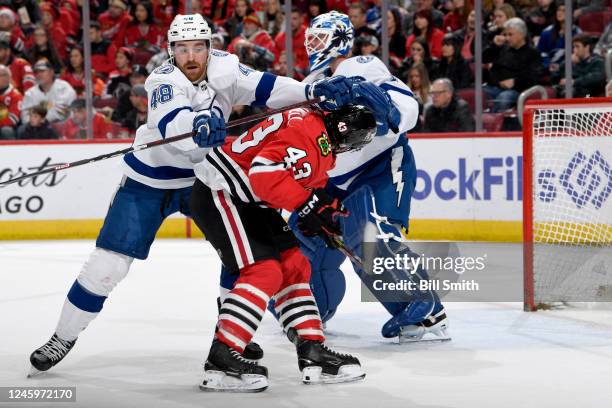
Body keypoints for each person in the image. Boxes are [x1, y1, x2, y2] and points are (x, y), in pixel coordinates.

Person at [28, 12, 357, 376]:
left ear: (209, 48)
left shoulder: (227, 68)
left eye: (197, 47)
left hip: (207, 179)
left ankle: (232, 336)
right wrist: (196, 123)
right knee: (107, 265)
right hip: (149, 182)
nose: (190, 56)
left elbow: (269, 89)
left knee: (244, 257)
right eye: (182, 48)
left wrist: (310, 91)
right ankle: (62, 336)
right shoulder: (162, 79)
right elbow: (172, 119)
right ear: (171, 51)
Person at [221, 11, 448, 343]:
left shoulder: (361, 66)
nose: (313, 44)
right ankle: (311, 310)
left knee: (371, 237)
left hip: (378, 168)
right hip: (331, 180)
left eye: (320, 37)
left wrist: (389, 112)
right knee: (300, 249)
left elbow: (404, 106)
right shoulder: (313, 81)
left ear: (340, 39)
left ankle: (426, 311)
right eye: (310, 38)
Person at [191, 105, 374, 391]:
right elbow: (263, 174)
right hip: (223, 192)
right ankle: (222, 357)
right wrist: (306, 204)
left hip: (250, 198)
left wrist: (319, 212)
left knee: (294, 267)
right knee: (264, 272)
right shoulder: (311, 135)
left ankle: (312, 350)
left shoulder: (313, 125)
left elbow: (300, 183)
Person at [483, 18, 542, 112]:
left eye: (510, 35)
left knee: (503, 98)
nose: (506, 38)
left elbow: (533, 77)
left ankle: (493, 124)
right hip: (493, 87)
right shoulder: (501, 48)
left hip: (517, 90)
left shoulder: (532, 53)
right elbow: (483, 59)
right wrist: (493, 45)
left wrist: (515, 81)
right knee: (476, 94)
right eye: (505, 34)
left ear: (522, 35)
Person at [21, 59, 76, 124]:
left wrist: (41, 120)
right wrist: (33, 122)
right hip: (36, 127)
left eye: (42, 71)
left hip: (62, 126)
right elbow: (24, 115)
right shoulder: (30, 93)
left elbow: (61, 112)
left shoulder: (64, 87)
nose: (39, 75)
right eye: (36, 72)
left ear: (51, 72)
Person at [552, 34, 606, 98]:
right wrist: (567, 62)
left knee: (571, 92)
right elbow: (554, 77)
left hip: (588, 94)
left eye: (577, 47)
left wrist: (574, 82)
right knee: (553, 90)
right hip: (568, 90)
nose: (574, 50)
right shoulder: (571, 61)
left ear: (587, 47)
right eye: (574, 47)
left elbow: (596, 78)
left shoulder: (597, 61)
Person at [274, 8, 308, 73]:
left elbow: (308, 61)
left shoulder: (309, 36)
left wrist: (294, 69)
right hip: (283, 73)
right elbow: (275, 61)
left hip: (303, 72)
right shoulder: (279, 39)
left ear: (301, 19)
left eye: (294, 19)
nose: (291, 22)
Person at [0, 64, 22, 139]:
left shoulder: (16, 95)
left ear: (8, 77)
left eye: (1, 75)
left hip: (8, 127)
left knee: (6, 130)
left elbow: (13, 118)